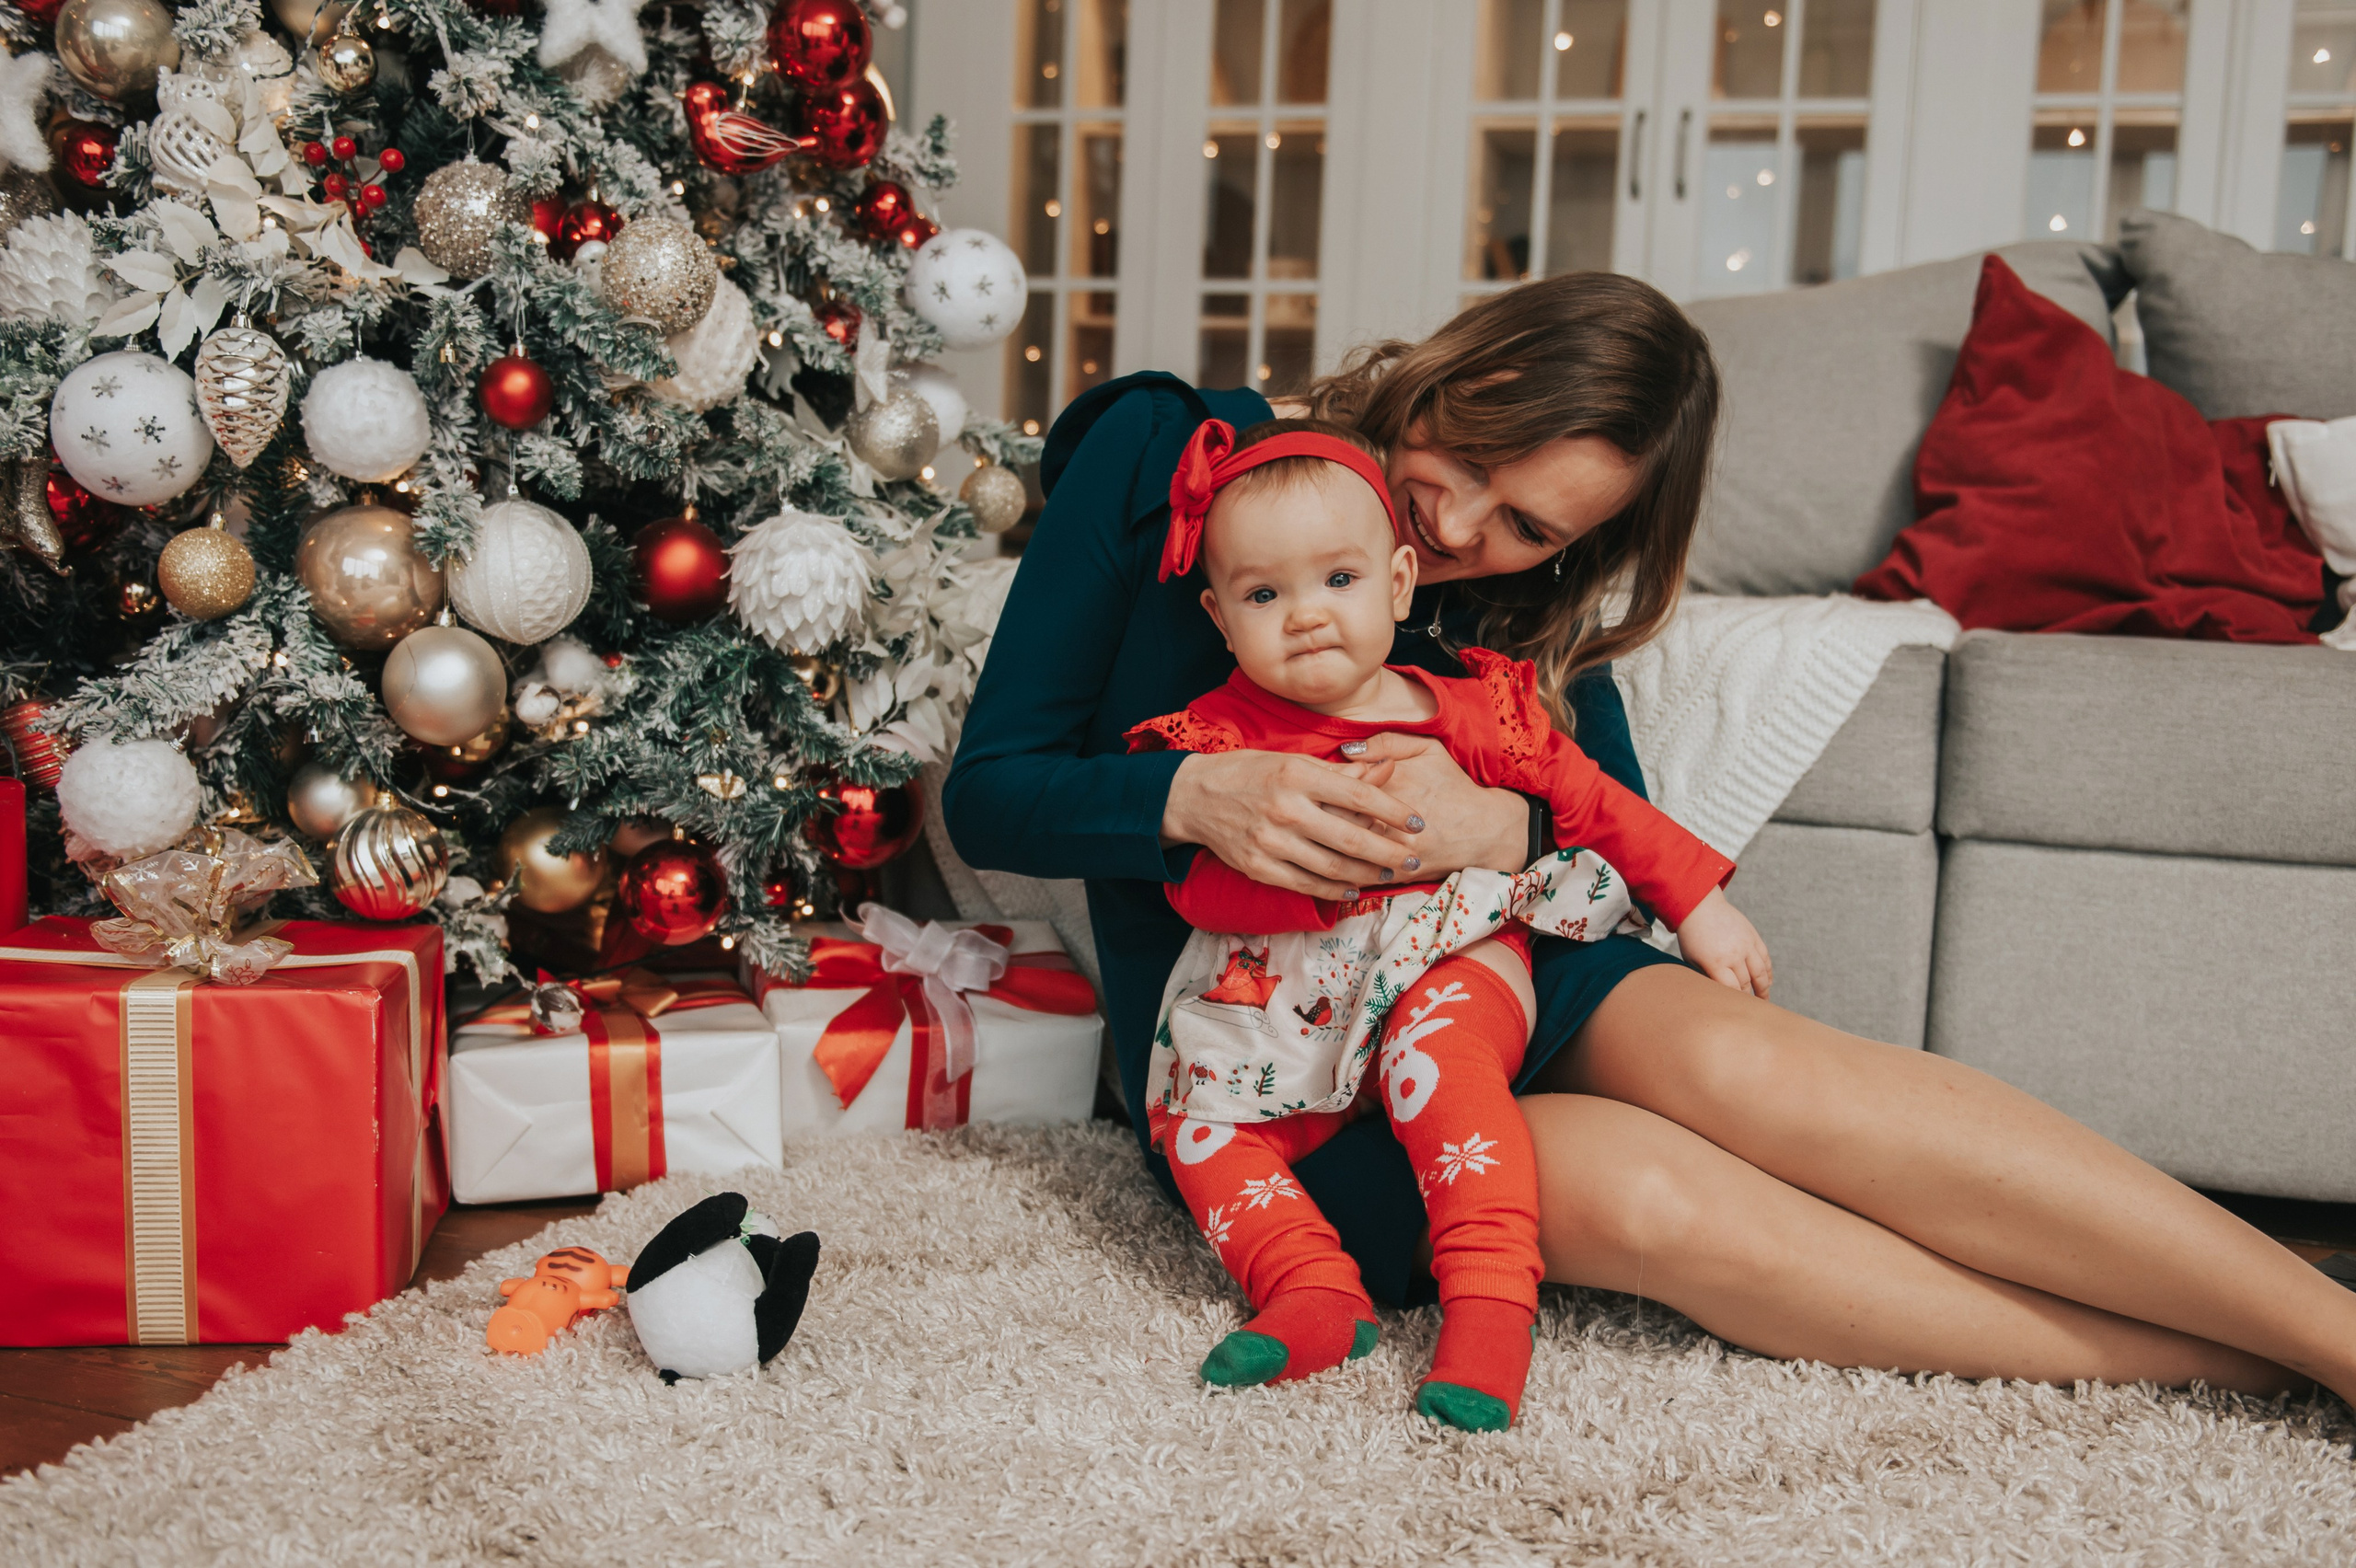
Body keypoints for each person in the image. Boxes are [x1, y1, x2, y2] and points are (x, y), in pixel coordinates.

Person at [945, 271, 2356, 1409]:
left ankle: (2331, 1333)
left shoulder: (1521, 604)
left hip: (1487, 968)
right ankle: (2251, 1360)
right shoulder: (1171, 450)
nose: (1454, 529)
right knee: (1655, 1196)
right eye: (1467, 465)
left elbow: (1604, 845)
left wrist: (1493, 816)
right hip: (1272, 1052)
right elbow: (994, 787)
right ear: (1452, 371)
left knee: (1762, 1068)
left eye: (1525, 528)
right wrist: (1197, 800)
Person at [1126, 413, 1759, 1431]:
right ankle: (1308, 1288)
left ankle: (1493, 1301)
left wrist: (1703, 907)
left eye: (1338, 580)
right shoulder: (1219, 741)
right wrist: (1303, 880)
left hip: (1443, 961)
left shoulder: (1468, 711)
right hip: (1279, 992)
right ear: (1218, 614)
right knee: (1193, 1125)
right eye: (1262, 594)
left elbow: (1601, 810)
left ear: (1400, 585)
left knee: (1439, 1069)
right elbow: (1193, 891)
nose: (1305, 616)